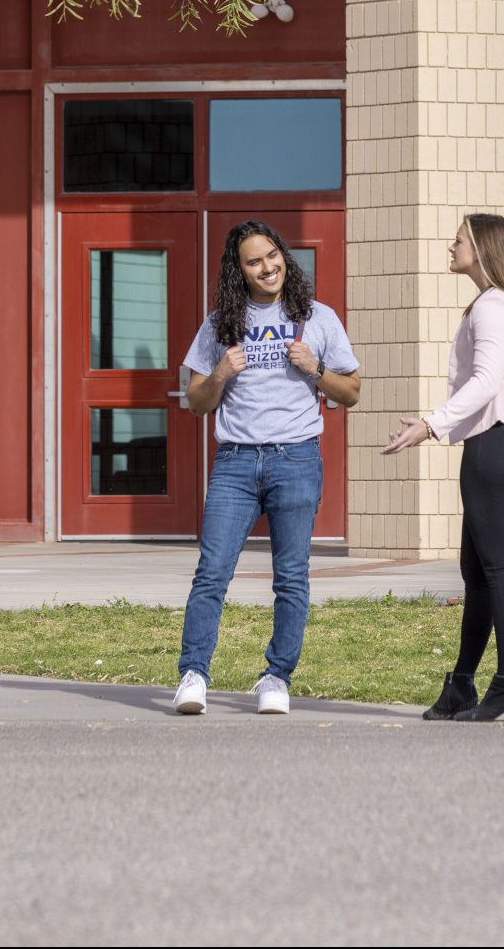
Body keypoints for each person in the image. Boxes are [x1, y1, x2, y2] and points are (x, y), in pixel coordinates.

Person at [174, 220, 361, 716]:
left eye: (272, 256)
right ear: (239, 271)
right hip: (235, 462)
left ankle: (276, 677)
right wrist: (220, 373)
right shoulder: (219, 324)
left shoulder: (317, 317)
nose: (267, 267)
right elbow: (196, 402)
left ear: (284, 257)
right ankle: (194, 675)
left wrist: (315, 370)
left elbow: (353, 391)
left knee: (291, 577)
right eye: (254, 261)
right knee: (212, 573)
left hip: (295, 458)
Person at [383, 212, 504, 723]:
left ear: (483, 249)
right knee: (478, 574)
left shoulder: (493, 306)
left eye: (458, 241)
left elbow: (486, 381)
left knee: (497, 571)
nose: (450, 248)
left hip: (495, 449)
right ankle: (463, 685)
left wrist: (429, 425)